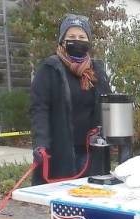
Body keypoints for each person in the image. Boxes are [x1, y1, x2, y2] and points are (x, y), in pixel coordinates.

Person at [30, 14, 112, 186]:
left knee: (92, 200)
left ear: (89, 41)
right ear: (62, 40)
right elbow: (39, 109)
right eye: (72, 37)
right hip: (60, 150)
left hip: (91, 152)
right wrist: (40, 144)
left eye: (82, 37)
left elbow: (107, 105)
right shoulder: (50, 69)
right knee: (63, 204)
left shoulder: (97, 70)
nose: (77, 40)